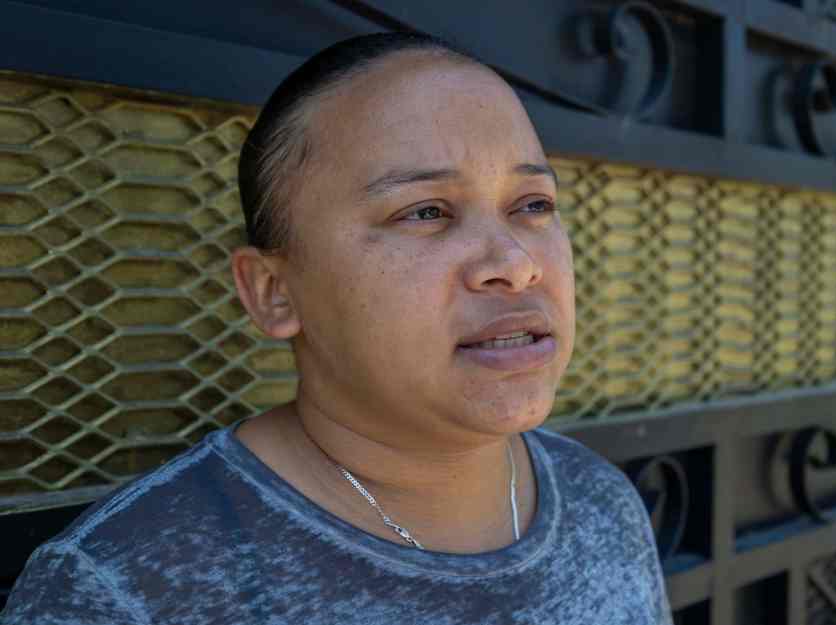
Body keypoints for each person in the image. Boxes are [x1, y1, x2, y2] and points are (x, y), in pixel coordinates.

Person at [1, 33, 671, 624]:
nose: (516, 263)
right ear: (274, 292)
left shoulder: (600, 501)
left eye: (532, 204)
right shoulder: (126, 589)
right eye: (427, 211)